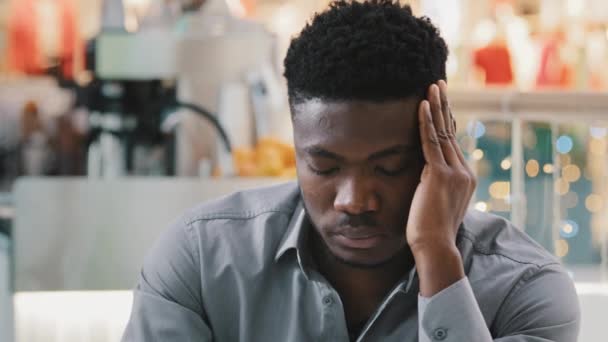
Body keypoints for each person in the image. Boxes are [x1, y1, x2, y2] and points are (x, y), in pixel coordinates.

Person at [122, 1, 580, 341]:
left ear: (441, 152)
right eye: (323, 166)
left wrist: (438, 256)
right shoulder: (202, 259)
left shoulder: (526, 290)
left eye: (389, 167)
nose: (355, 200)